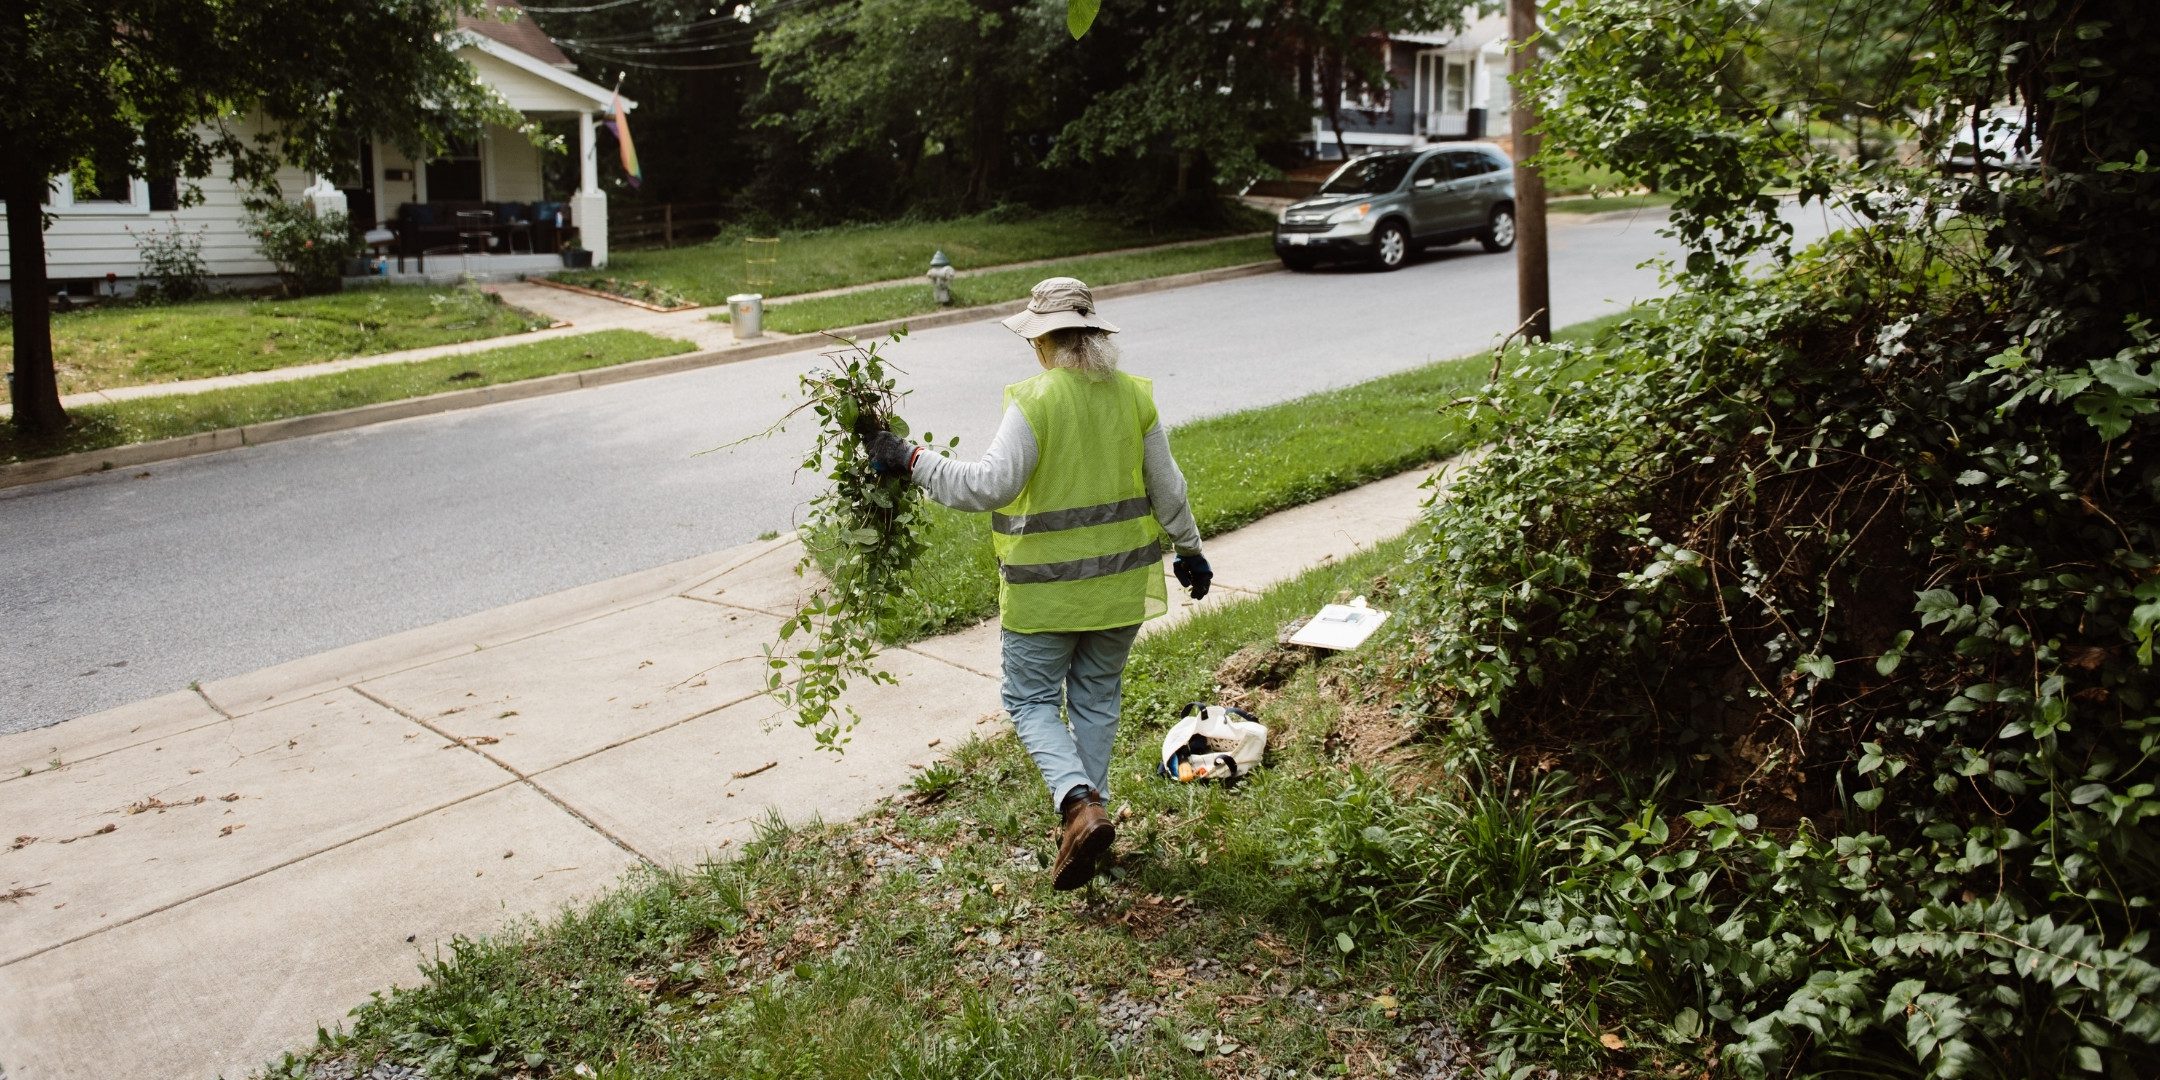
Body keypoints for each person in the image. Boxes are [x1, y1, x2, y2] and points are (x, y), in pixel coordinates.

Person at [866, 277, 1211, 890]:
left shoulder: (1036, 399)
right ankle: (1091, 820)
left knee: (1029, 702)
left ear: (1041, 342)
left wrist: (908, 458)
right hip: (1121, 592)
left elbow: (984, 486)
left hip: (1045, 595)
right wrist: (1190, 551)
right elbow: (1170, 488)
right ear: (1095, 335)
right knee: (1098, 698)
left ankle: (1077, 804)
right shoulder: (1134, 398)